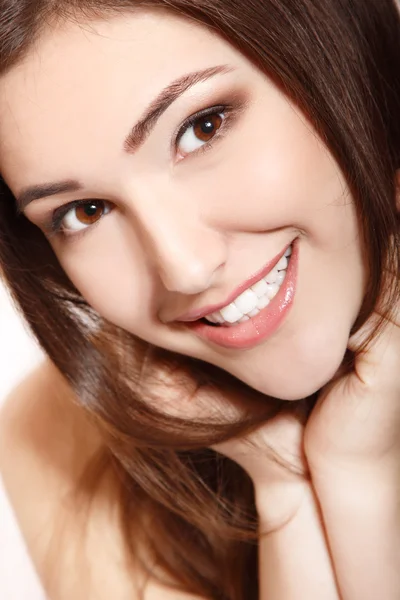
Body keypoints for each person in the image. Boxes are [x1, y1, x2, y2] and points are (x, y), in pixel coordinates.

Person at [0, 0, 399, 598]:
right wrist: (306, 485)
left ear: (330, 54)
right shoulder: (62, 440)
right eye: (85, 212)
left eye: (202, 128)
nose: (183, 268)